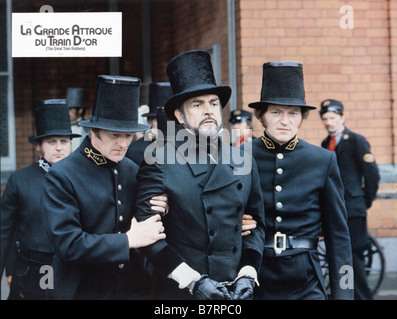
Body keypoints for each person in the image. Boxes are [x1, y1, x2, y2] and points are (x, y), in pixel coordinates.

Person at [134, 50, 266, 300]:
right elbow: (148, 236)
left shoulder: (242, 159)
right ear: (179, 116)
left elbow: (257, 225)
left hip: (235, 291)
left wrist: (248, 272)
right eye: (197, 104)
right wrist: (193, 281)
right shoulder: (159, 162)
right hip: (182, 292)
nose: (208, 110)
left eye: (213, 103)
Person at [41, 75, 168, 300]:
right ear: (93, 132)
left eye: (128, 135)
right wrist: (128, 240)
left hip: (132, 288)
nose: (123, 143)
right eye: (114, 135)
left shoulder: (131, 169)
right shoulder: (62, 175)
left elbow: (145, 219)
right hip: (82, 289)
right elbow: (67, 244)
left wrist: (161, 207)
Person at [248, 61, 354, 300]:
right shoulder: (240, 157)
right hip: (256, 278)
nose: (284, 121)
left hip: (305, 279)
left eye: (293, 113)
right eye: (276, 112)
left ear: (302, 117)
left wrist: (344, 294)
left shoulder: (322, 160)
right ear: (262, 115)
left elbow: (339, 237)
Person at [1, 99, 81, 299]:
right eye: (51, 142)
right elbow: (5, 232)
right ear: (39, 146)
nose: (59, 148)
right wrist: (9, 269)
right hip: (32, 270)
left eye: (64, 141)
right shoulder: (21, 180)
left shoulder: (83, 178)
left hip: (73, 269)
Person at [319, 99, 380, 300]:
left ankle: (362, 297)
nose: (329, 122)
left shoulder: (356, 140)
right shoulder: (325, 144)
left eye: (333, 118)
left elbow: (372, 175)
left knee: (353, 258)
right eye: (325, 118)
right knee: (337, 257)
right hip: (333, 210)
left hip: (353, 209)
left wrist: (365, 203)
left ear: (342, 118)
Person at [126, 82, 174, 165]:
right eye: (159, 119)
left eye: (169, 120)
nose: (164, 125)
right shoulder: (135, 151)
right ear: (151, 120)